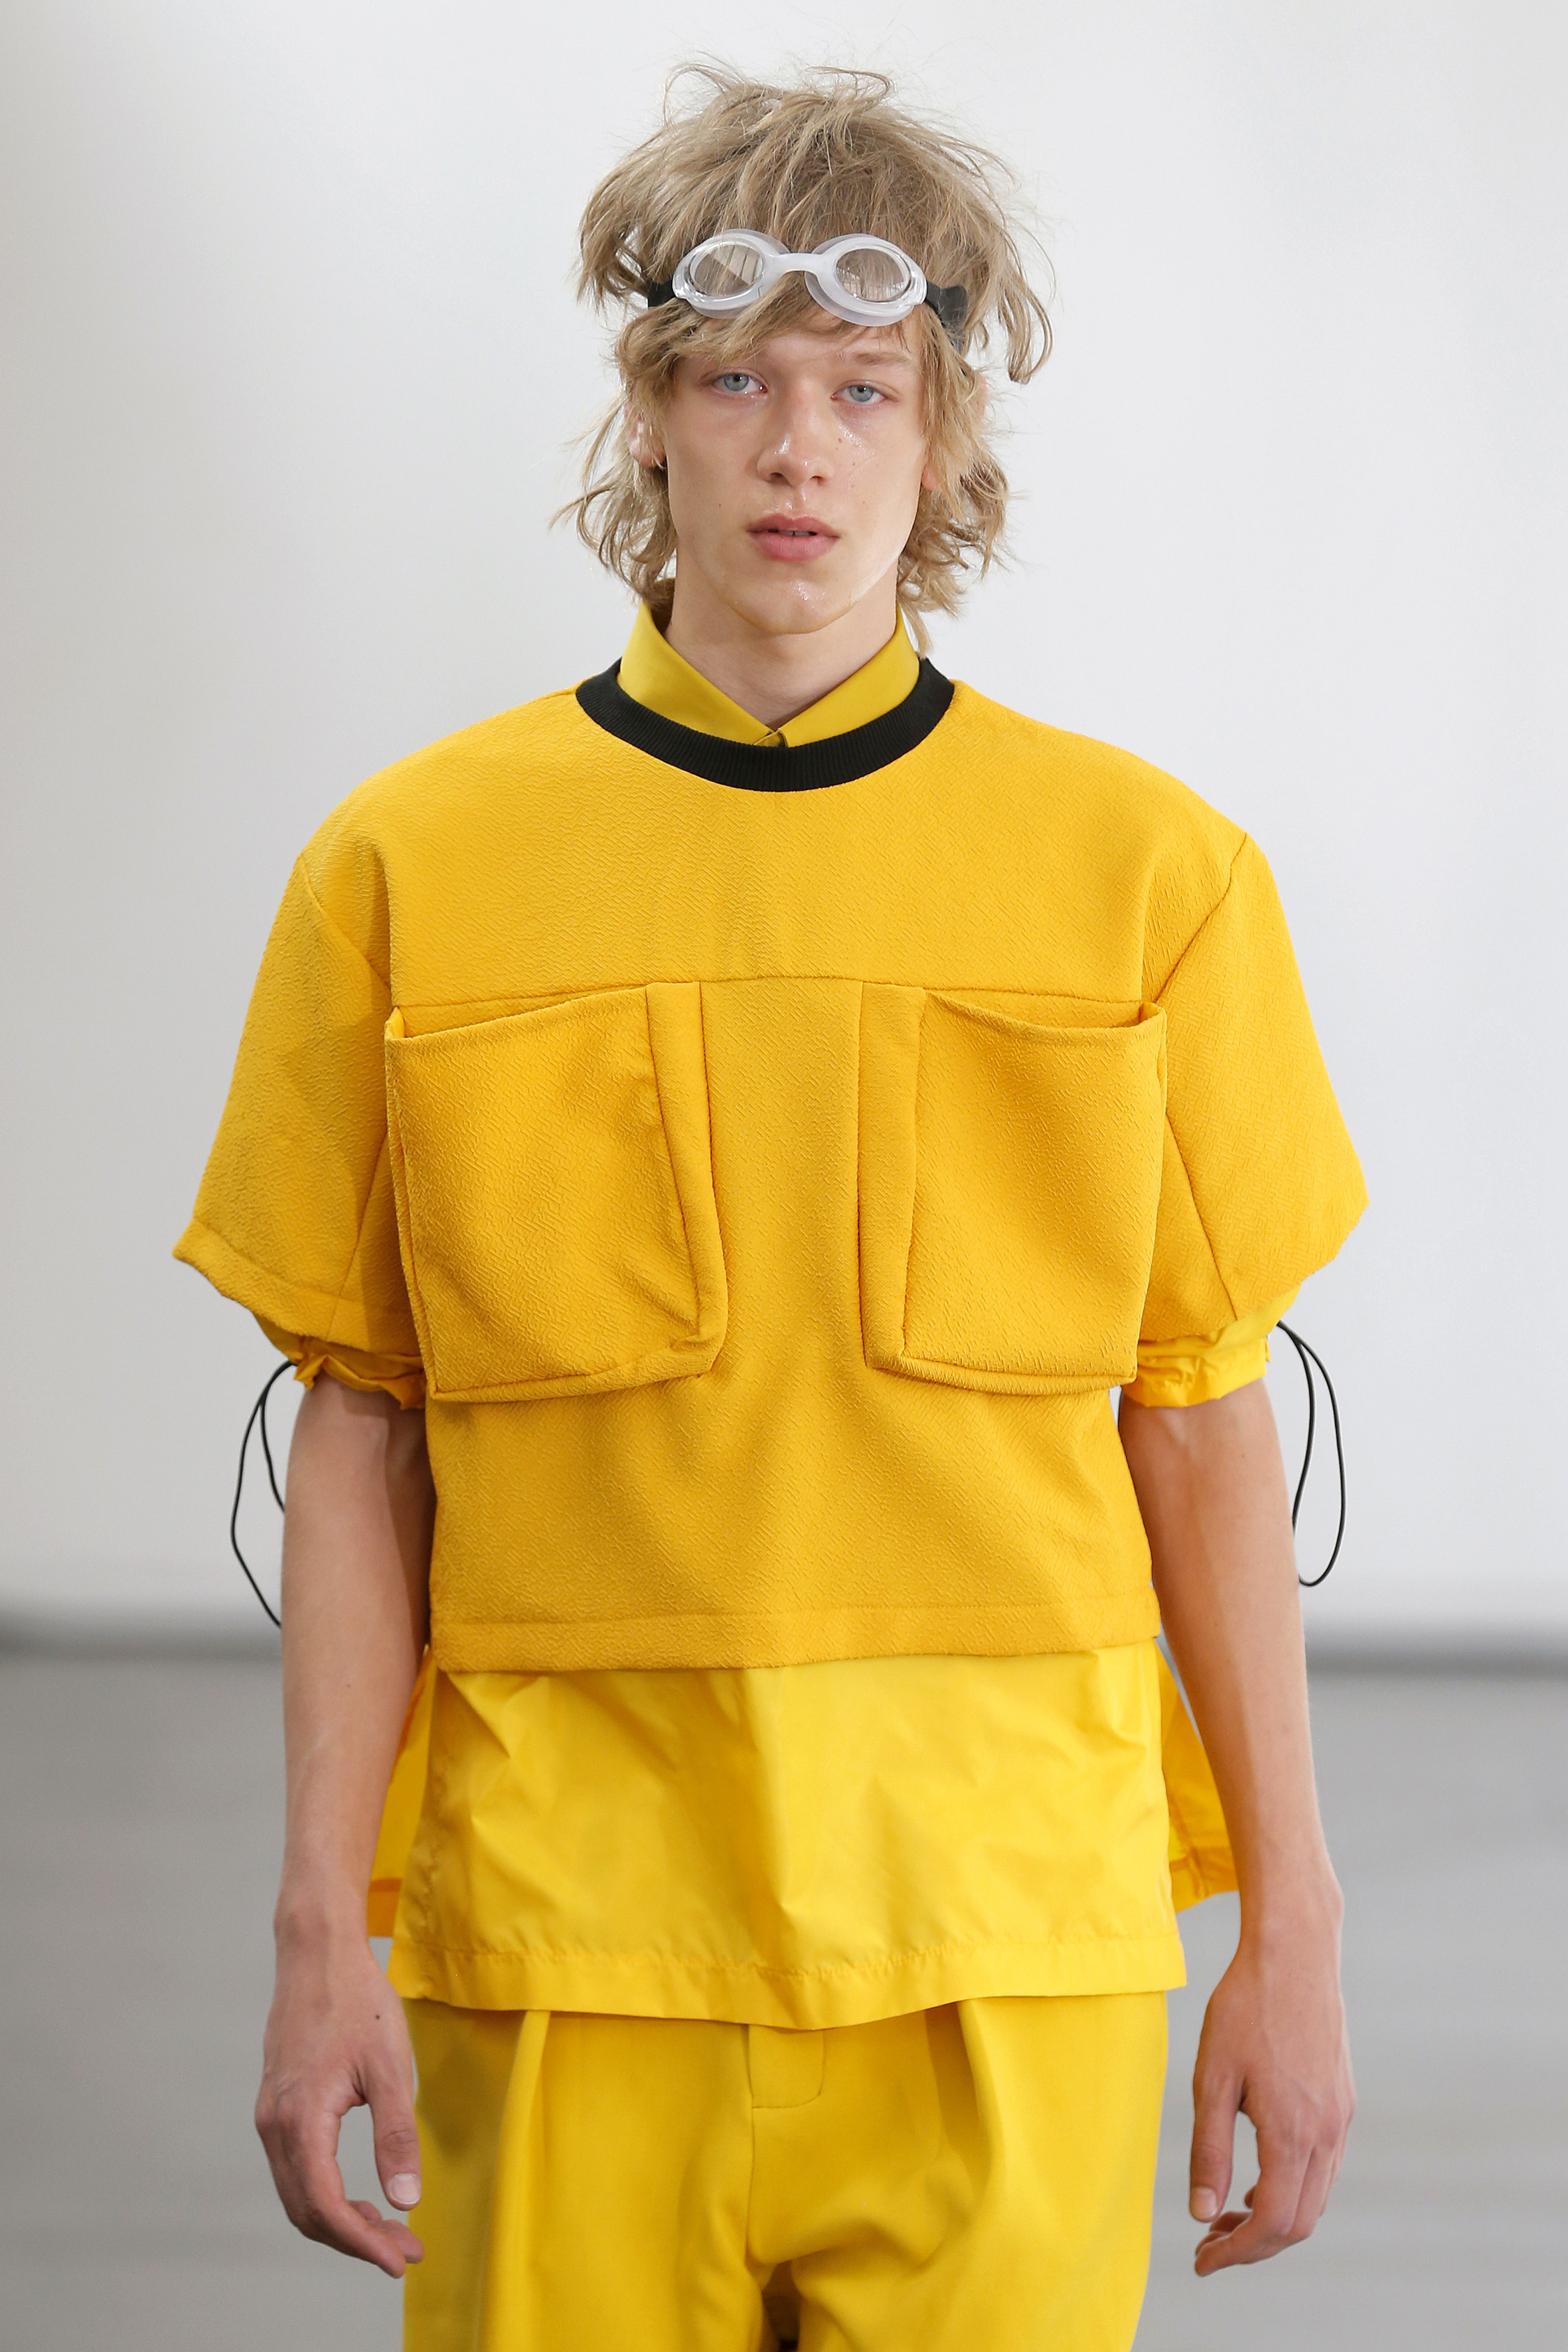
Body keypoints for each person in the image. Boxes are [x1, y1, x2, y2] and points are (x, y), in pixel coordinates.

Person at [175, 62, 1366, 2352]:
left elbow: (1203, 1425)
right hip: (569, 1932)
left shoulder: (1148, 879)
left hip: (1010, 1933)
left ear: (941, 440)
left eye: (859, 387)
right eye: (734, 382)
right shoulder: (412, 866)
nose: (795, 448)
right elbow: (360, 1424)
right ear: (647, 419)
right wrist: (325, 1923)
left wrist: (1290, 1932)